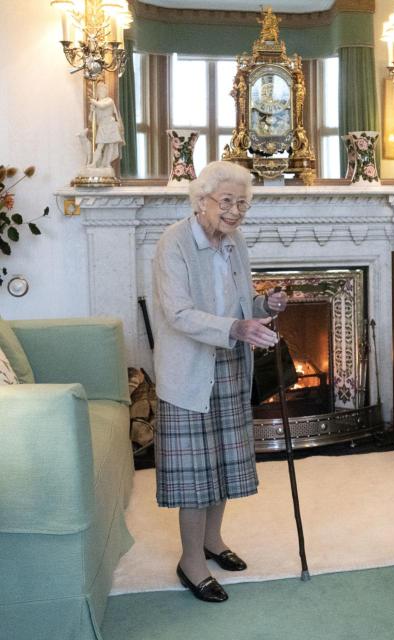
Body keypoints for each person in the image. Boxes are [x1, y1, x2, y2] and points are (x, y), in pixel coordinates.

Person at [151, 160, 288, 603]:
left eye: (242, 204)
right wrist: (236, 328)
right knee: (196, 474)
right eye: (226, 201)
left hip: (228, 365)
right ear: (201, 200)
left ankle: (213, 541)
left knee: (224, 466)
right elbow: (178, 313)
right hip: (189, 372)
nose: (234, 211)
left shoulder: (235, 243)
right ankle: (191, 560)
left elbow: (240, 301)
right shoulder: (173, 244)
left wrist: (264, 303)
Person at [88, 82, 124, 169]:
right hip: (102, 126)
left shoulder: (109, 100)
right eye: (100, 90)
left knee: (111, 145)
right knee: (100, 146)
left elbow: (102, 106)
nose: (102, 92)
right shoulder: (96, 103)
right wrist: (92, 110)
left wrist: (94, 102)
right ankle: (94, 163)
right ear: (98, 92)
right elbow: (90, 119)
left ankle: (107, 163)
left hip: (110, 125)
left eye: (104, 90)